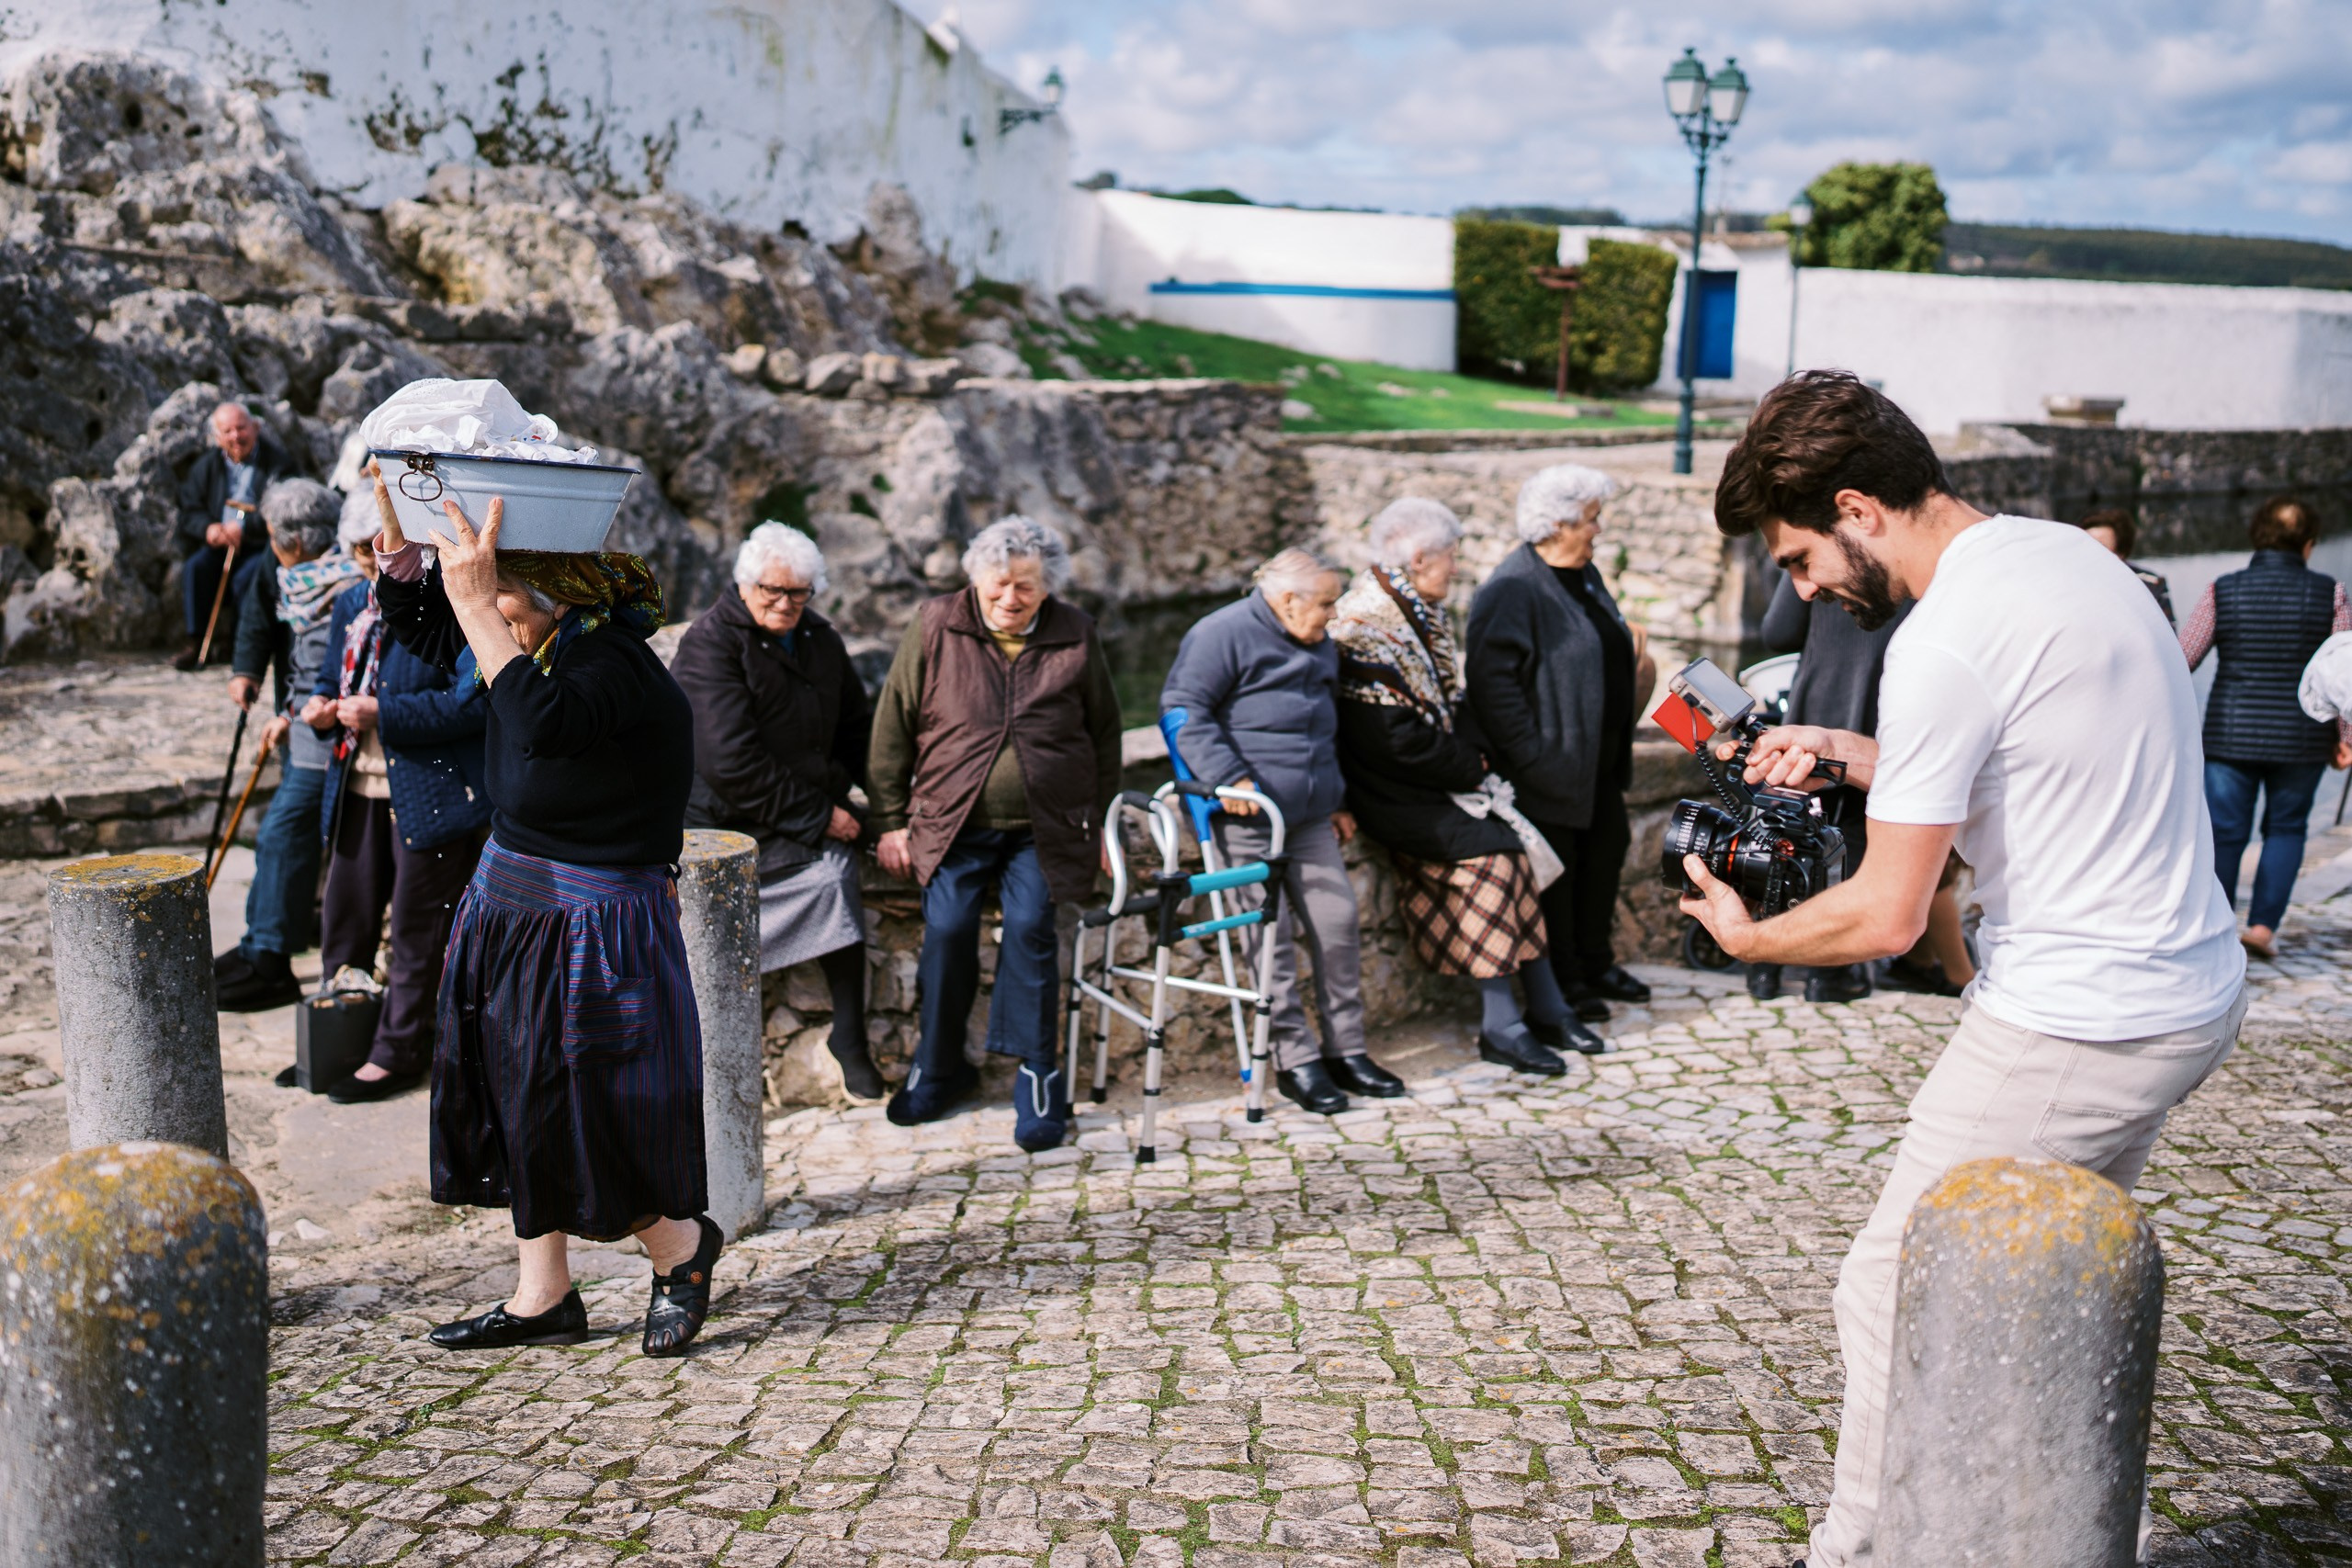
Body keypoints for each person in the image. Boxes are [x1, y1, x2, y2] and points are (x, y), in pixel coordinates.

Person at [1682, 370, 2245, 1568]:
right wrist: (1845, 749)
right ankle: (2073, 1519)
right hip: (2183, 985)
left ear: (1855, 508)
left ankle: (1864, 1546)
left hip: (2080, 1016)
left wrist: (1747, 937)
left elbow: (1888, 915)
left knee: (1889, 1283)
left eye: (1798, 559)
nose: (1806, 591)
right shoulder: (2063, 560)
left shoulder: (1941, 641)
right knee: (2036, 1269)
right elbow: (2033, 754)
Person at [367, 467, 719, 1358]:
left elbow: (537, 723)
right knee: (513, 1092)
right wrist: (408, 552)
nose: (495, 623)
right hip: (513, 898)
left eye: (505, 603)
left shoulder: (616, 669)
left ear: (554, 595)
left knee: (590, 1105)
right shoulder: (542, 638)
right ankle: (543, 1295)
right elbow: (432, 630)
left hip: (596, 920)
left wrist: (486, 610)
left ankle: (680, 1251)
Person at [867, 516, 1123, 1152]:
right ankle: (940, 1066)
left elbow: (1106, 735)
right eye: (1000, 586)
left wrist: (1105, 825)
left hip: (1046, 826)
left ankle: (1038, 1080)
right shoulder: (935, 624)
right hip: (955, 823)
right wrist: (891, 819)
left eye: (1026, 587)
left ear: (1046, 588)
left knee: (1033, 928)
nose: (1011, 598)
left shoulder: (1076, 632)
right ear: (977, 582)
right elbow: (892, 724)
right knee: (949, 929)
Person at [1330, 498, 1586, 1077]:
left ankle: (1544, 1005)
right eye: (1452, 557)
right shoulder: (1364, 627)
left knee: (1520, 843)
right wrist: (1470, 766)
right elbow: (1391, 740)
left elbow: (1452, 701)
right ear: (1420, 558)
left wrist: (1474, 756)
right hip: (1390, 793)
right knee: (1493, 857)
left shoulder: (1415, 609)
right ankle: (1503, 1023)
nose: (1457, 568)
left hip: (1429, 781)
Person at [1160, 547, 1406, 1115]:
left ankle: (1347, 1050)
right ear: (1286, 598)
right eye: (1326, 602)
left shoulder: (1316, 639)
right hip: (1246, 819)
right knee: (1269, 943)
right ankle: (1297, 1061)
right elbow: (1182, 710)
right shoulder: (1220, 634)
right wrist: (1230, 779)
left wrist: (1338, 799)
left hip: (1310, 817)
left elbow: (1324, 726)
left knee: (1338, 924)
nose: (1334, 613)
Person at [673, 522, 884, 1100]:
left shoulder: (820, 639)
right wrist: (821, 816)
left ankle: (852, 1036)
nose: (786, 604)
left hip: (792, 808)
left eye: (799, 593)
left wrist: (894, 812)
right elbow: (729, 761)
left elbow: (856, 732)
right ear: (746, 584)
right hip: (723, 821)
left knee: (839, 874)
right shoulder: (711, 643)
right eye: (773, 591)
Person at [303, 493, 492, 1103]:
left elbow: (468, 705)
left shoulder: (445, 607)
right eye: (359, 550)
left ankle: (397, 1052)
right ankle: (339, 1037)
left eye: (377, 547)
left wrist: (384, 713)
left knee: (416, 930)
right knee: (345, 916)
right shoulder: (349, 606)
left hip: (431, 788)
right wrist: (319, 709)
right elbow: (327, 677)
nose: (368, 561)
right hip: (356, 781)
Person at [1466, 463, 1653, 1035]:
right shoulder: (1511, 589)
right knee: (1562, 879)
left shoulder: (1585, 571)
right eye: (1591, 520)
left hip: (1595, 761)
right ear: (1557, 524)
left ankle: (1596, 965)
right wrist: (1535, 758)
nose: (1598, 530)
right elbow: (1493, 689)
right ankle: (1567, 981)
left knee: (1604, 856)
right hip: (1549, 767)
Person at [2181, 495, 2350, 960]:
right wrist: (2346, 739)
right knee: (2287, 829)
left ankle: (2215, 930)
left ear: (2256, 537)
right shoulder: (2332, 593)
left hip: (2229, 737)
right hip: (2303, 738)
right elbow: (2342, 672)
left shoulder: (2222, 589)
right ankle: (2261, 930)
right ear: (2309, 545)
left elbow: (2182, 660)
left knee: (2226, 833)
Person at [218, 479, 366, 1013]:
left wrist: (299, 714)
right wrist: (279, 709)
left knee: (283, 833)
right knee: (282, 835)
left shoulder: (347, 585)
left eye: (277, 536)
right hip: (302, 730)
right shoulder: (301, 578)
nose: (273, 545)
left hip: (328, 739)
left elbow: (334, 672)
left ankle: (270, 960)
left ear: (298, 542)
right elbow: (298, 658)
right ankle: (264, 942)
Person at [1750, 573, 1904, 1004]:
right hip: (1880, 707)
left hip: (1816, 703)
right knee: (1852, 837)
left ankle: (1764, 969)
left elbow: (1777, 632)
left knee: (1781, 829)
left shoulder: (1810, 555)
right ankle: (1829, 975)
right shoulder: (1900, 550)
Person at [174, 401, 298, 670]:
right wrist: (209, 529)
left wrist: (246, 527)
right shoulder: (207, 466)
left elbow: (283, 507)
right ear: (218, 437)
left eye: (241, 428)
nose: (236, 436)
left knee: (248, 579)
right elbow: (189, 509)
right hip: (221, 542)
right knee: (196, 569)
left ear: (255, 427)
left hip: (259, 544)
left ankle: (239, 644)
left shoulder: (278, 464)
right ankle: (196, 642)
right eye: (227, 431)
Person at [2075, 506, 2174, 624]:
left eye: (2100, 547)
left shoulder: (2150, 585)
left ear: (2121, 553)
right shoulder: (2067, 583)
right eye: (2086, 545)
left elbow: (2168, 636)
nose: (2091, 553)